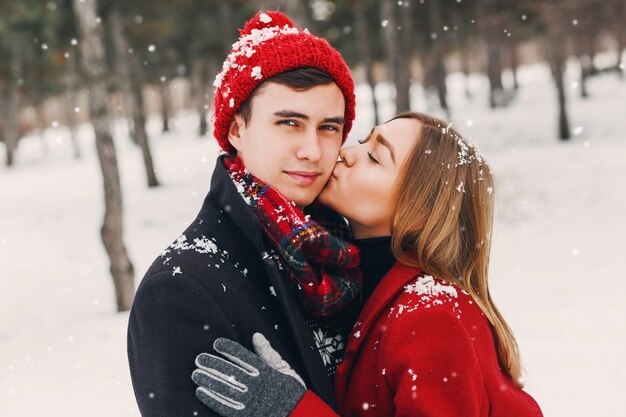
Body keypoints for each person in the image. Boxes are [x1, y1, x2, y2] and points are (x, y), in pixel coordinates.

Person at [191, 112, 544, 417]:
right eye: (362, 140)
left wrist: (292, 410)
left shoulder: (432, 316)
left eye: (375, 156)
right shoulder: (355, 284)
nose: (345, 153)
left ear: (419, 212)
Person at [127, 11, 361, 416]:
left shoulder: (351, 250)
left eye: (329, 128)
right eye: (289, 122)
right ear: (237, 129)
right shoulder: (180, 291)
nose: (312, 150)